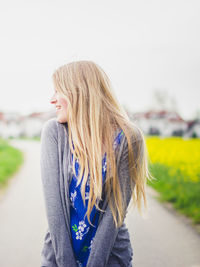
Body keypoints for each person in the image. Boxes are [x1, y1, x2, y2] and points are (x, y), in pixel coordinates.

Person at [40, 60, 151, 267]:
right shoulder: (54, 133)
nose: (52, 99)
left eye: (58, 91)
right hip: (58, 256)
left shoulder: (128, 138)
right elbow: (54, 211)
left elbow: (115, 214)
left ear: (78, 91)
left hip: (111, 256)